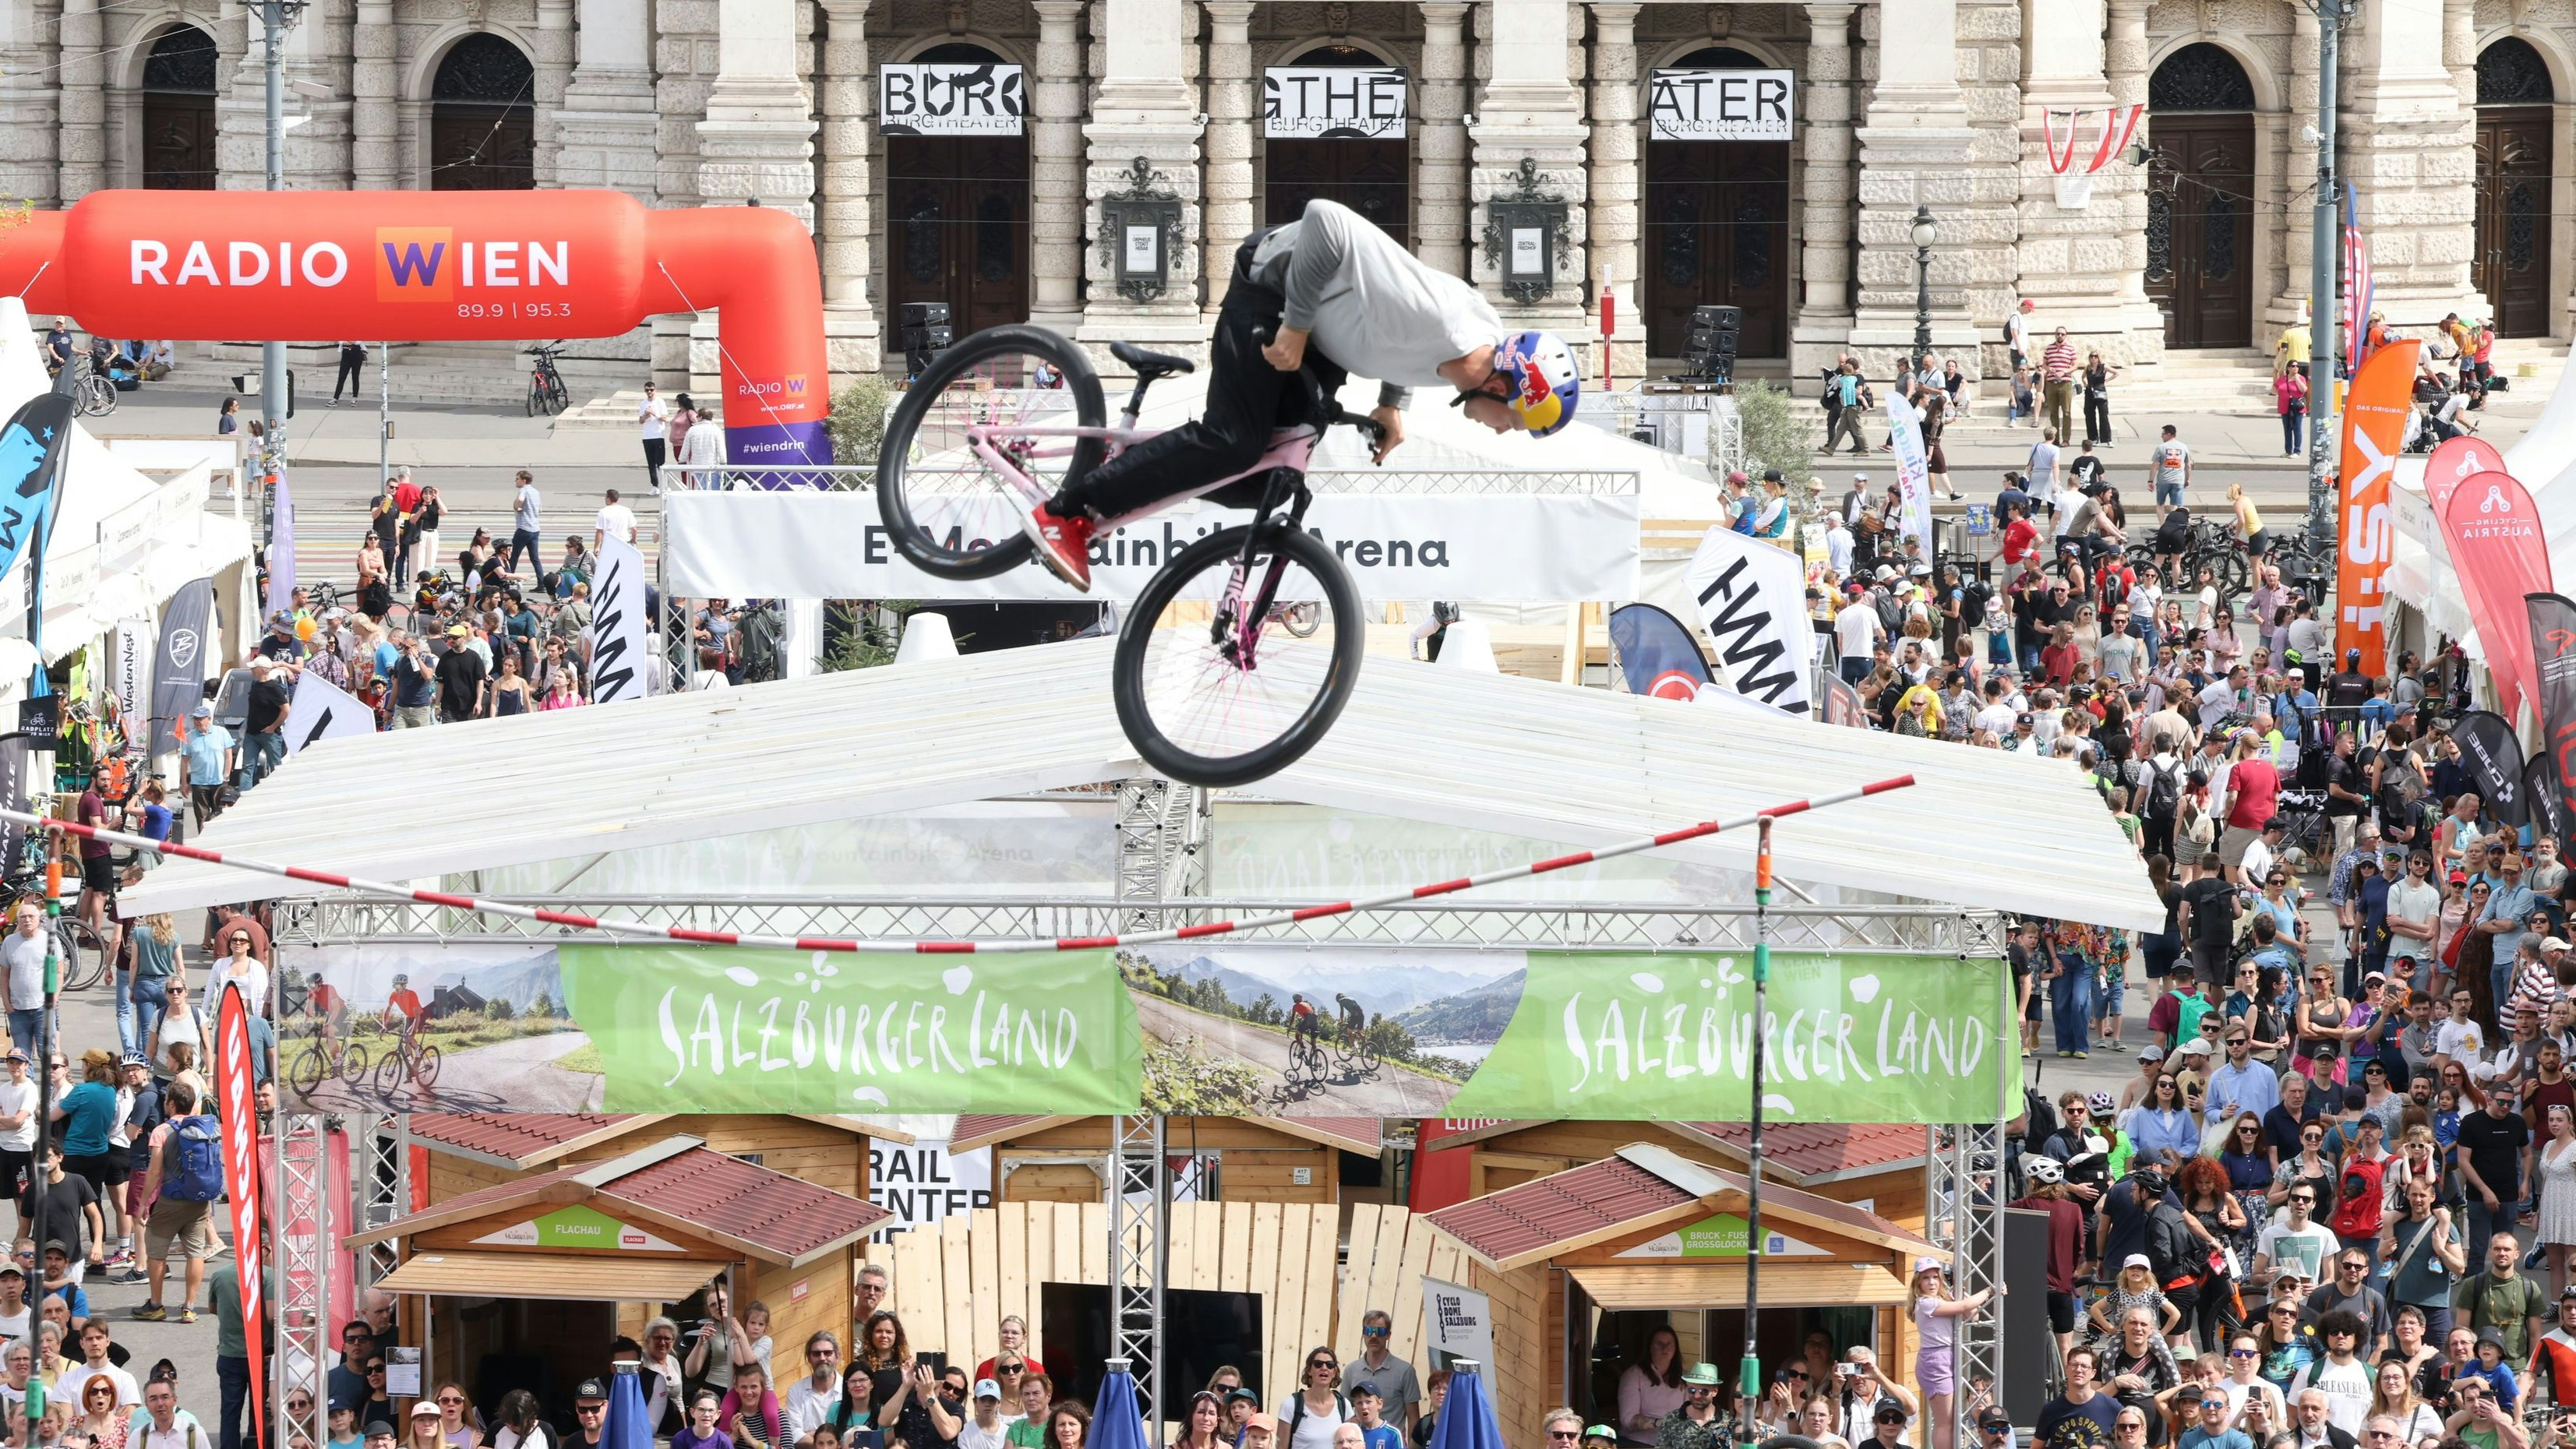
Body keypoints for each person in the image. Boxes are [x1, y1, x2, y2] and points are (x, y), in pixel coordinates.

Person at [1018, 200, 1575, 591]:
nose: (1503, 430)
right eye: (1514, 422)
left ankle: (1152, 469)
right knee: (1234, 442)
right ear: (1500, 385)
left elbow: (1406, 344)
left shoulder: (1467, 358)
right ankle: (1065, 514)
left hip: (1321, 340)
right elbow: (1325, 220)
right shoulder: (1439, 316)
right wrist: (1297, 324)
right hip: (1271, 290)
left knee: (1262, 482)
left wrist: (1392, 402)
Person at [1911, 1257, 1996, 1449]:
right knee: (1946, 1421)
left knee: (1951, 1419)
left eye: (1935, 1277)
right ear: (1918, 1282)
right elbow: (1965, 1307)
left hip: (1946, 1356)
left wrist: (1960, 1292)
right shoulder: (1925, 1302)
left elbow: (1973, 1315)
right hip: (1935, 1359)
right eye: (1926, 1278)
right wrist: (1989, 1291)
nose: (1932, 1282)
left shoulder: (1943, 1298)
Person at [2453, 1232, 2550, 1380]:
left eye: (2507, 1249)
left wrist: (2532, 1376)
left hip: (2517, 1371)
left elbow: (2535, 1334)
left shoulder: (2529, 1287)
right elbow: (2461, 1331)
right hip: (2479, 1370)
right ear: (2490, 1253)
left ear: (2516, 1254)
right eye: (2497, 1249)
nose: (2502, 1253)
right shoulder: (2472, 1285)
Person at [2036, 1349, 2123, 1449]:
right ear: (2067, 1369)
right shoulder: (2050, 1410)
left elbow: (2131, 1438)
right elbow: (2036, 1446)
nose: (2079, 1370)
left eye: (2085, 1366)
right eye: (2074, 1365)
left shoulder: (2111, 1407)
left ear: (2093, 1373)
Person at [1619, 1326, 1686, 1445]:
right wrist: (1658, 1423)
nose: (1664, 1348)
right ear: (1649, 1348)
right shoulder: (1633, 1375)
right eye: (1659, 1344)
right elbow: (1628, 1419)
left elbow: (1690, 1414)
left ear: (1675, 1348)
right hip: (1639, 1443)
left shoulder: (1684, 1378)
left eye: (1669, 1344)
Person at [1655, 1370, 1724, 1449]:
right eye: (1692, 1390)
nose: (1697, 1396)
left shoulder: (1727, 1421)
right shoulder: (1671, 1419)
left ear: (1715, 1391)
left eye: (1703, 1391)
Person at [639, 385, 672, 492]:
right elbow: (640, 421)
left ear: (655, 390)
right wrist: (645, 416)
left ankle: (665, 485)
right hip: (647, 436)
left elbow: (664, 418)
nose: (649, 392)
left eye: (651, 390)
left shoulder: (660, 402)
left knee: (661, 463)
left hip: (658, 435)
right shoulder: (643, 403)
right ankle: (655, 486)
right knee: (651, 462)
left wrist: (654, 413)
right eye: (647, 390)